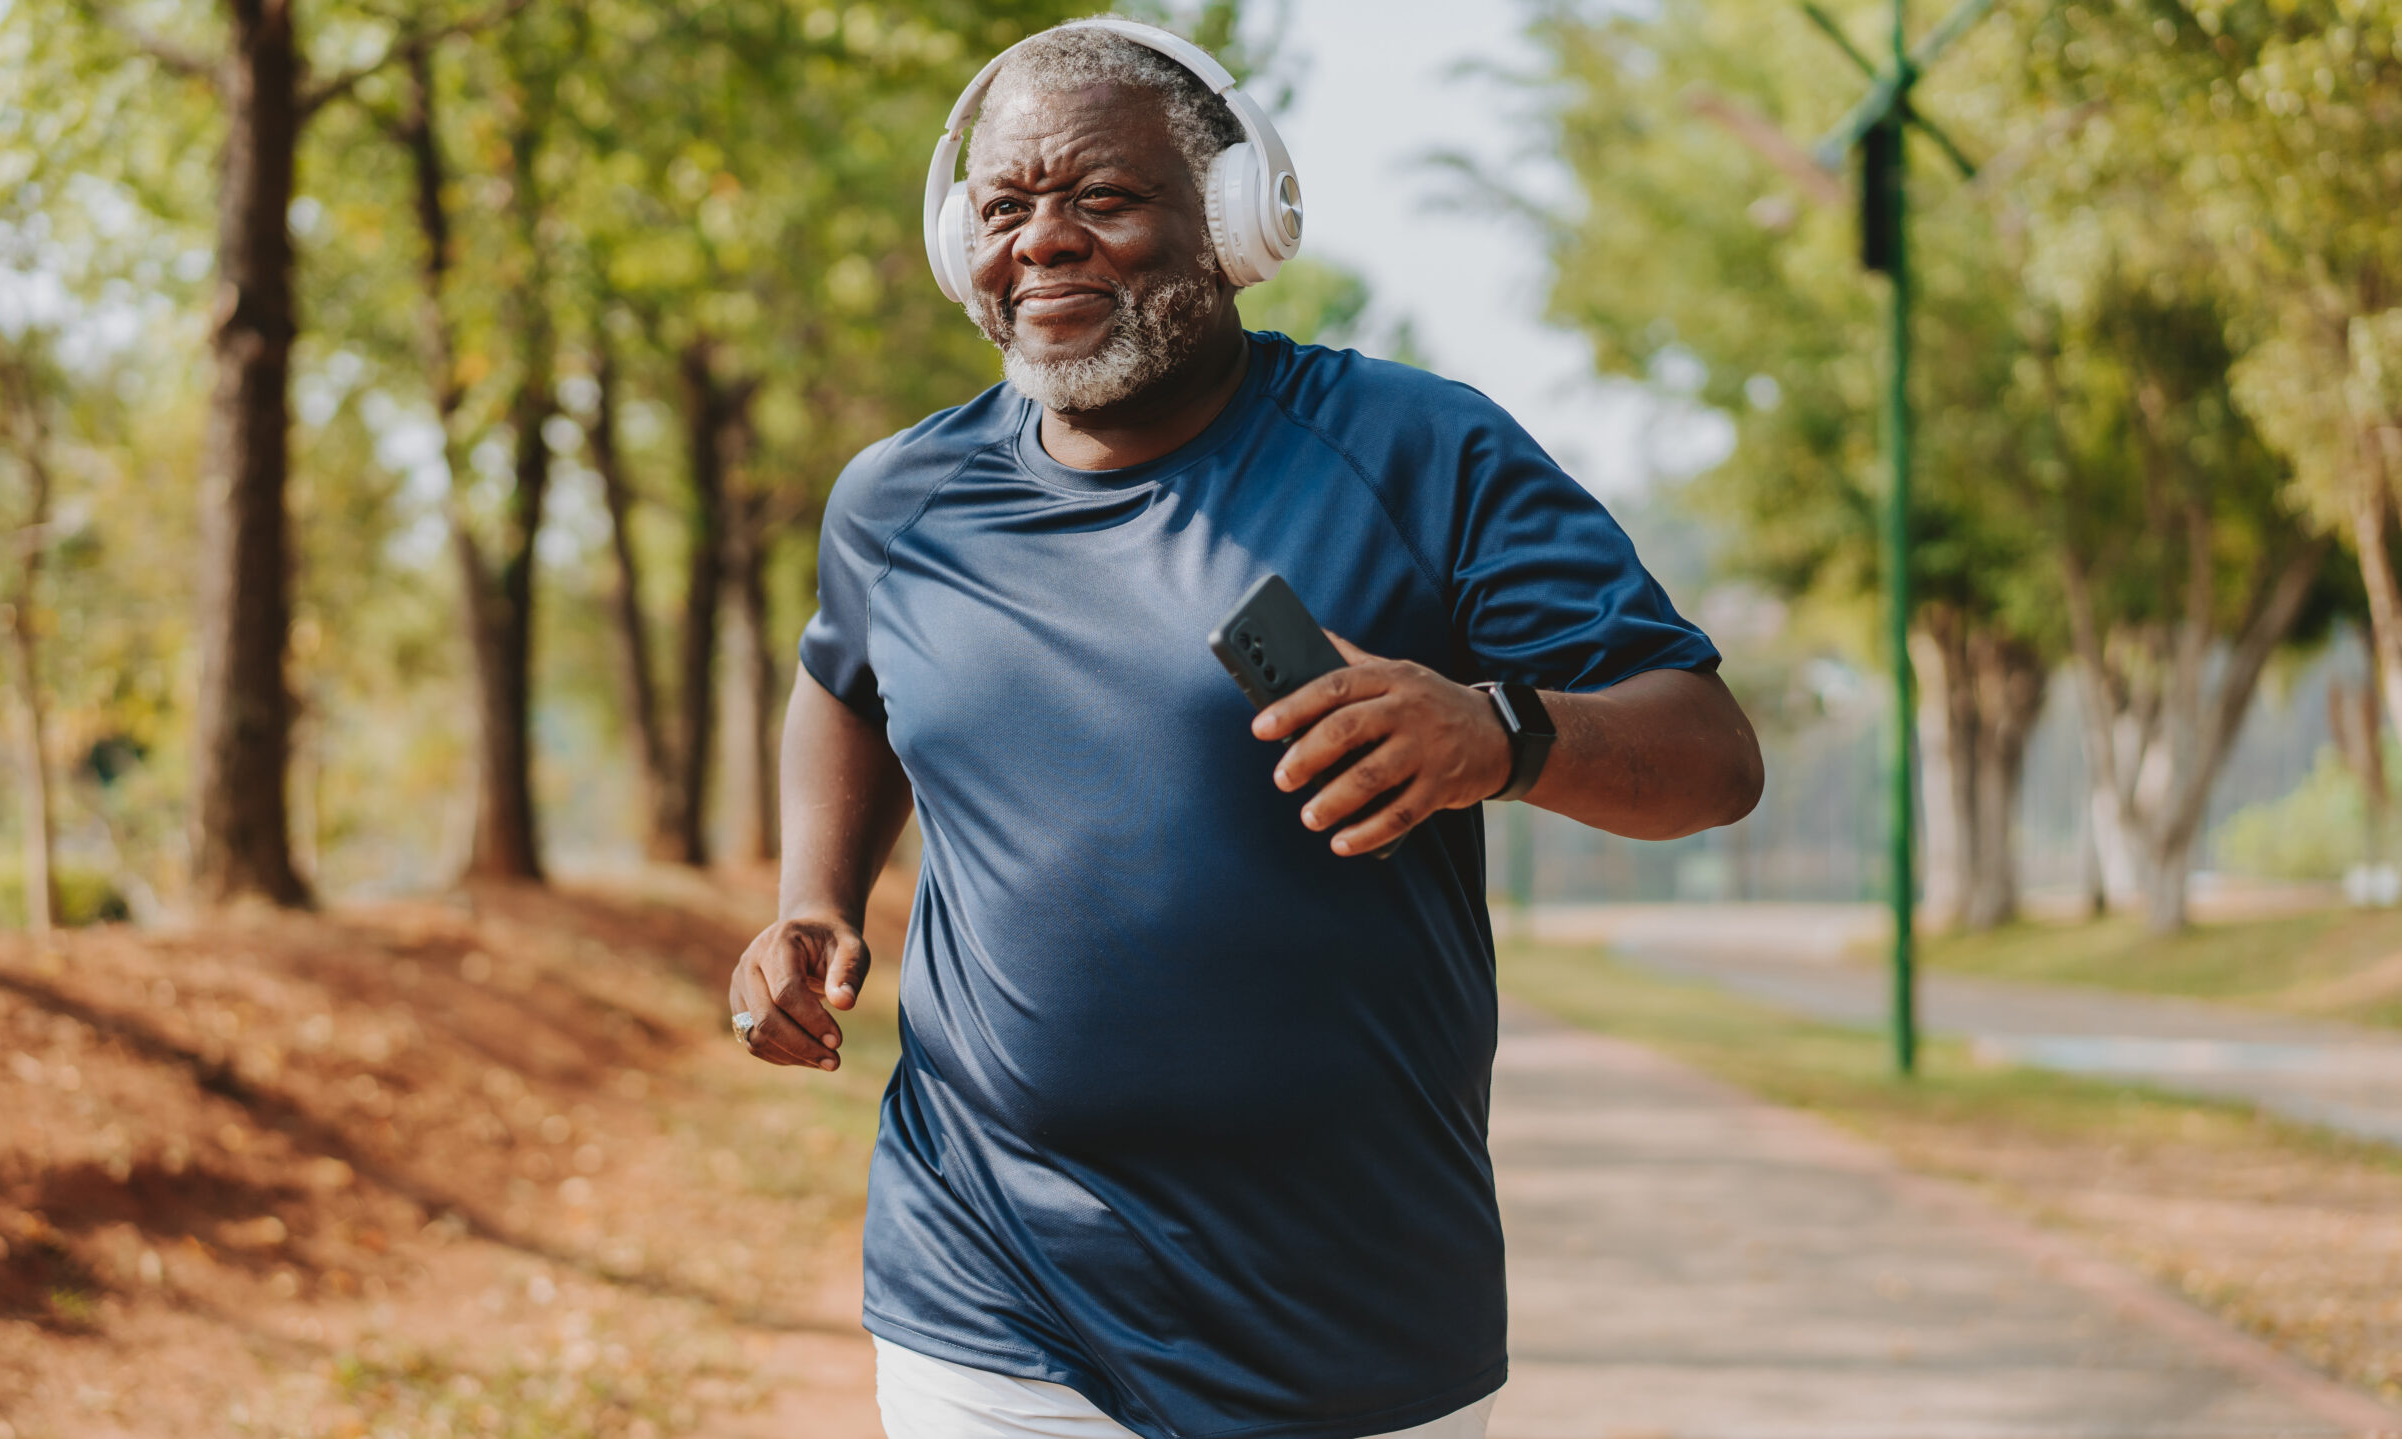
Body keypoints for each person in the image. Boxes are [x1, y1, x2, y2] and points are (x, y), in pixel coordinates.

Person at [729, 18, 1764, 1439]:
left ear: (1236, 221)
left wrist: (1495, 732)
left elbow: (1709, 757)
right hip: (989, 1288)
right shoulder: (900, 504)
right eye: (1007, 206)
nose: (1046, 242)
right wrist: (812, 899)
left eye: (1103, 200)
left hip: (1343, 1311)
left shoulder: (1421, 453)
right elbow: (844, 681)